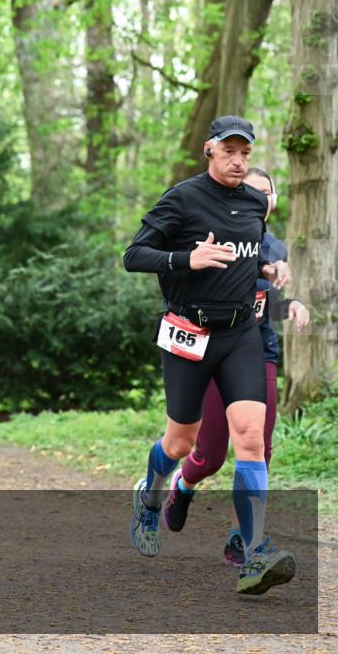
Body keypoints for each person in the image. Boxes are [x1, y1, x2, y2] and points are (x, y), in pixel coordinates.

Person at [123, 115, 295, 595]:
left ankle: (254, 552)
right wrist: (187, 259)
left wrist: (268, 267)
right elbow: (134, 255)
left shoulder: (255, 203)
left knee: (251, 439)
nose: (238, 161)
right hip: (189, 334)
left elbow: (248, 253)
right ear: (210, 150)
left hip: (241, 335)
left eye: (245, 153)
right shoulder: (182, 199)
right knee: (180, 444)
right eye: (229, 151)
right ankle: (151, 497)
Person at [159, 167, 310, 566]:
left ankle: (242, 539)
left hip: (259, 353)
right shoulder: (215, 236)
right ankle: (183, 485)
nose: (259, 198)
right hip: (213, 350)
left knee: (258, 446)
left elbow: (263, 301)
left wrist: (291, 304)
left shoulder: (275, 248)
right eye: (251, 190)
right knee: (209, 455)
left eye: (266, 193)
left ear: (272, 201)